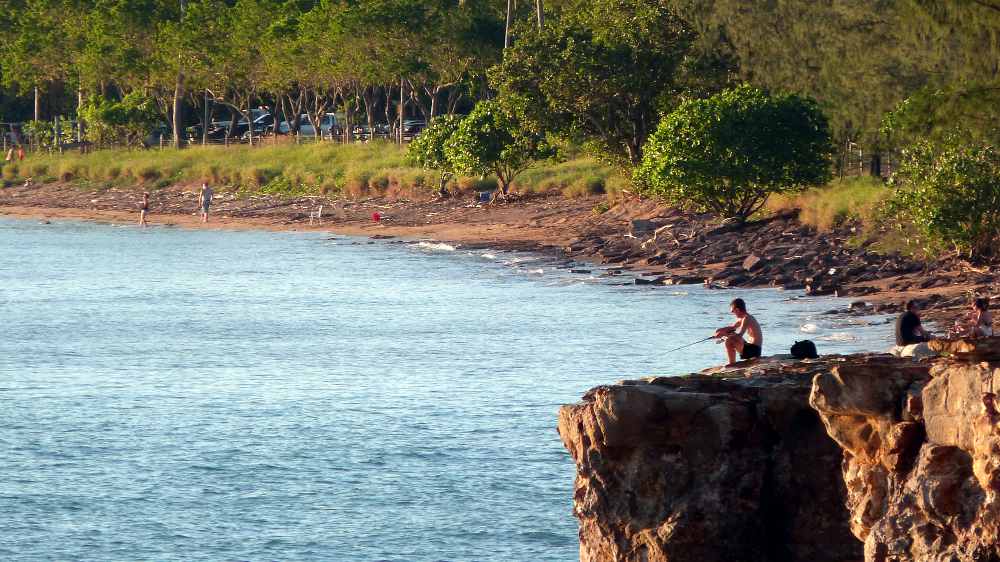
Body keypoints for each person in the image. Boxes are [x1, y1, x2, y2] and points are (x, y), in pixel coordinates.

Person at [714, 298, 763, 365]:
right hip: (750, 347)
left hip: (754, 350)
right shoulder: (743, 318)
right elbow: (732, 328)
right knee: (731, 333)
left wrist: (724, 335)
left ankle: (732, 364)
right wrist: (719, 331)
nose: (732, 313)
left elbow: (739, 336)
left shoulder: (747, 318)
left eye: (732, 311)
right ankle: (732, 363)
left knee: (729, 340)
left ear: (737, 310)